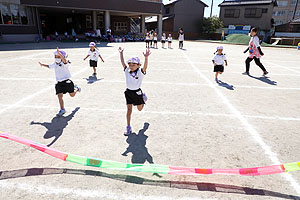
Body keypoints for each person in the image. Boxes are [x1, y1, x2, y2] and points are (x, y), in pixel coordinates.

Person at [118, 47, 151, 136]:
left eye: (134, 64)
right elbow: (122, 63)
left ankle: (143, 100)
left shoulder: (140, 72)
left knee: (139, 109)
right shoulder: (127, 70)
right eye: (130, 64)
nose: (131, 66)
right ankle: (128, 126)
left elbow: (145, 67)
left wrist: (146, 58)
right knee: (129, 110)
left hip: (137, 92)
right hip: (128, 92)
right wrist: (121, 53)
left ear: (138, 65)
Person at [38, 48, 81, 116]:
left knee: (72, 95)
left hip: (67, 82)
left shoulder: (65, 63)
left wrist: (60, 54)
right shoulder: (55, 64)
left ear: (62, 57)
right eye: (55, 56)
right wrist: (42, 65)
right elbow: (49, 66)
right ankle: (62, 109)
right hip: (59, 83)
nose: (56, 58)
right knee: (59, 96)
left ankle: (77, 89)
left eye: (58, 56)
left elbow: (64, 60)